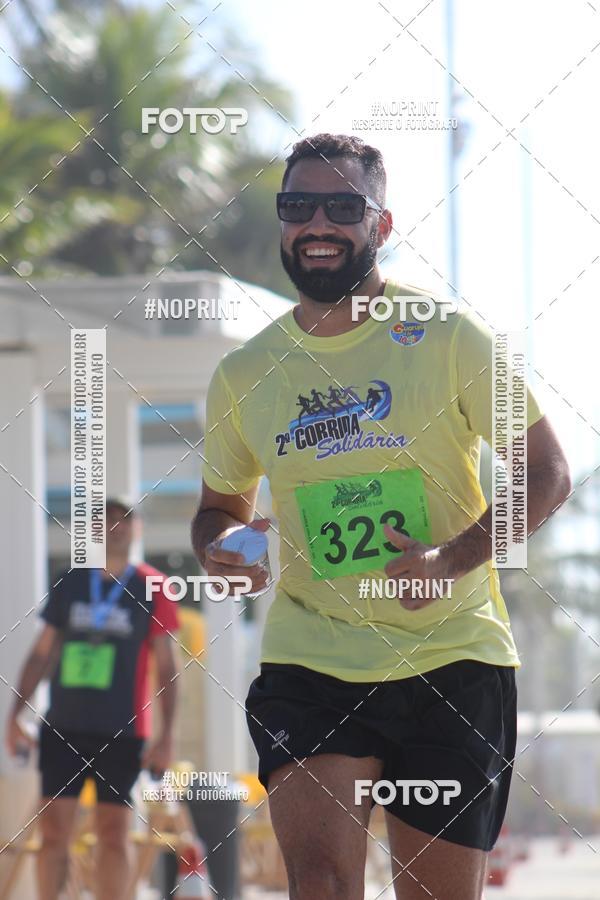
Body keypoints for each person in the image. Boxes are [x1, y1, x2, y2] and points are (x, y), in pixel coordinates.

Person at [190, 133, 571, 900]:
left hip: (452, 659)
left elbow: (548, 473)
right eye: (299, 205)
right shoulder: (244, 374)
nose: (319, 223)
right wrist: (223, 547)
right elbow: (217, 511)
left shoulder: (452, 340)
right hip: (312, 660)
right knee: (323, 884)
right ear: (282, 222)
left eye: (343, 206)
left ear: (382, 226)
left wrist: (450, 560)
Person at [5, 498, 179, 900]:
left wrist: (167, 737)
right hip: (63, 726)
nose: (114, 526)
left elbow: (168, 668)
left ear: (136, 531)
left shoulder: (152, 585)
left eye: (124, 520)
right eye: (105, 520)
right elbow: (42, 651)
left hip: (123, 729)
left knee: (115, 835)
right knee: (53, 833)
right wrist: (16, 713)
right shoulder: (71, 582)